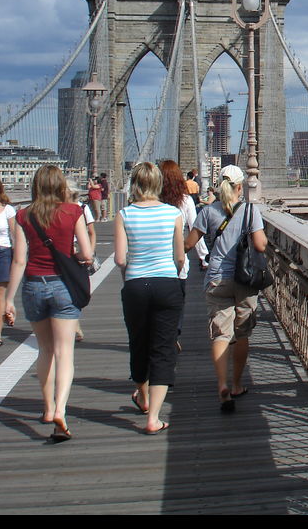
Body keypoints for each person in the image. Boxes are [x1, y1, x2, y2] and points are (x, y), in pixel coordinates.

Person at [4, 165, 92, 442]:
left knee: (45, 350)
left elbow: (19, 260)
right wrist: (74, 255)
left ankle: (47, 407)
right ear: (60, 186)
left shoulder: (22, 215)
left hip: (33, 286)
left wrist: (9, 299)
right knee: (65, 353)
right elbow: (87, 255)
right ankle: (61, 412)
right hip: (63, 286)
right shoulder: (73, 211)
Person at [185, 165, 266, 413]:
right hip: (244, 280)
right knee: (241, 334)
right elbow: (261, 245)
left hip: (217, 278)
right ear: (240, 187)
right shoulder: (251, 211)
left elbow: (189, 244)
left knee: (221, 334)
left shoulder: (208, 212)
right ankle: (237, 384)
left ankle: (221, 385)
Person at [115, 162, 184, 435]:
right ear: (158, 184)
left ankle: (141, 397)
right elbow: (180, 256)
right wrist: (172, 275)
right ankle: (153, 417)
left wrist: (131, 276)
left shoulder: (124, 214)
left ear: (134, 183)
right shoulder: (173, 213)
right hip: (167, 283)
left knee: (139, 343)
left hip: (135, 285)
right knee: (163, 348)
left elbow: (120, 259)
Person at [158, 160, 208, 349]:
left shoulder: (153, 201)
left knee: (158, 306)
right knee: (176, 304)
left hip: (154, 263)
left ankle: (161, 336)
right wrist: (204, 257)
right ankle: (173, 335)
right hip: (178, 262)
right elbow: (196, 230)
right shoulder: (186, 201)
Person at [68, 190, 97, 343]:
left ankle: (73, 321)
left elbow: (91, 232)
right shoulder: (57, 208)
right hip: (65, 254)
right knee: (68, 290)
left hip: (79, 252)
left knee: (78, 290)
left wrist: (89, 253)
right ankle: (74, 325)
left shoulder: (83, 208)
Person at [0, 176, 16, 348]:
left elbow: (15, 235)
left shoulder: (7, 210)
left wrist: (18, 259)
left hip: (2, 252)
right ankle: (4, 312)